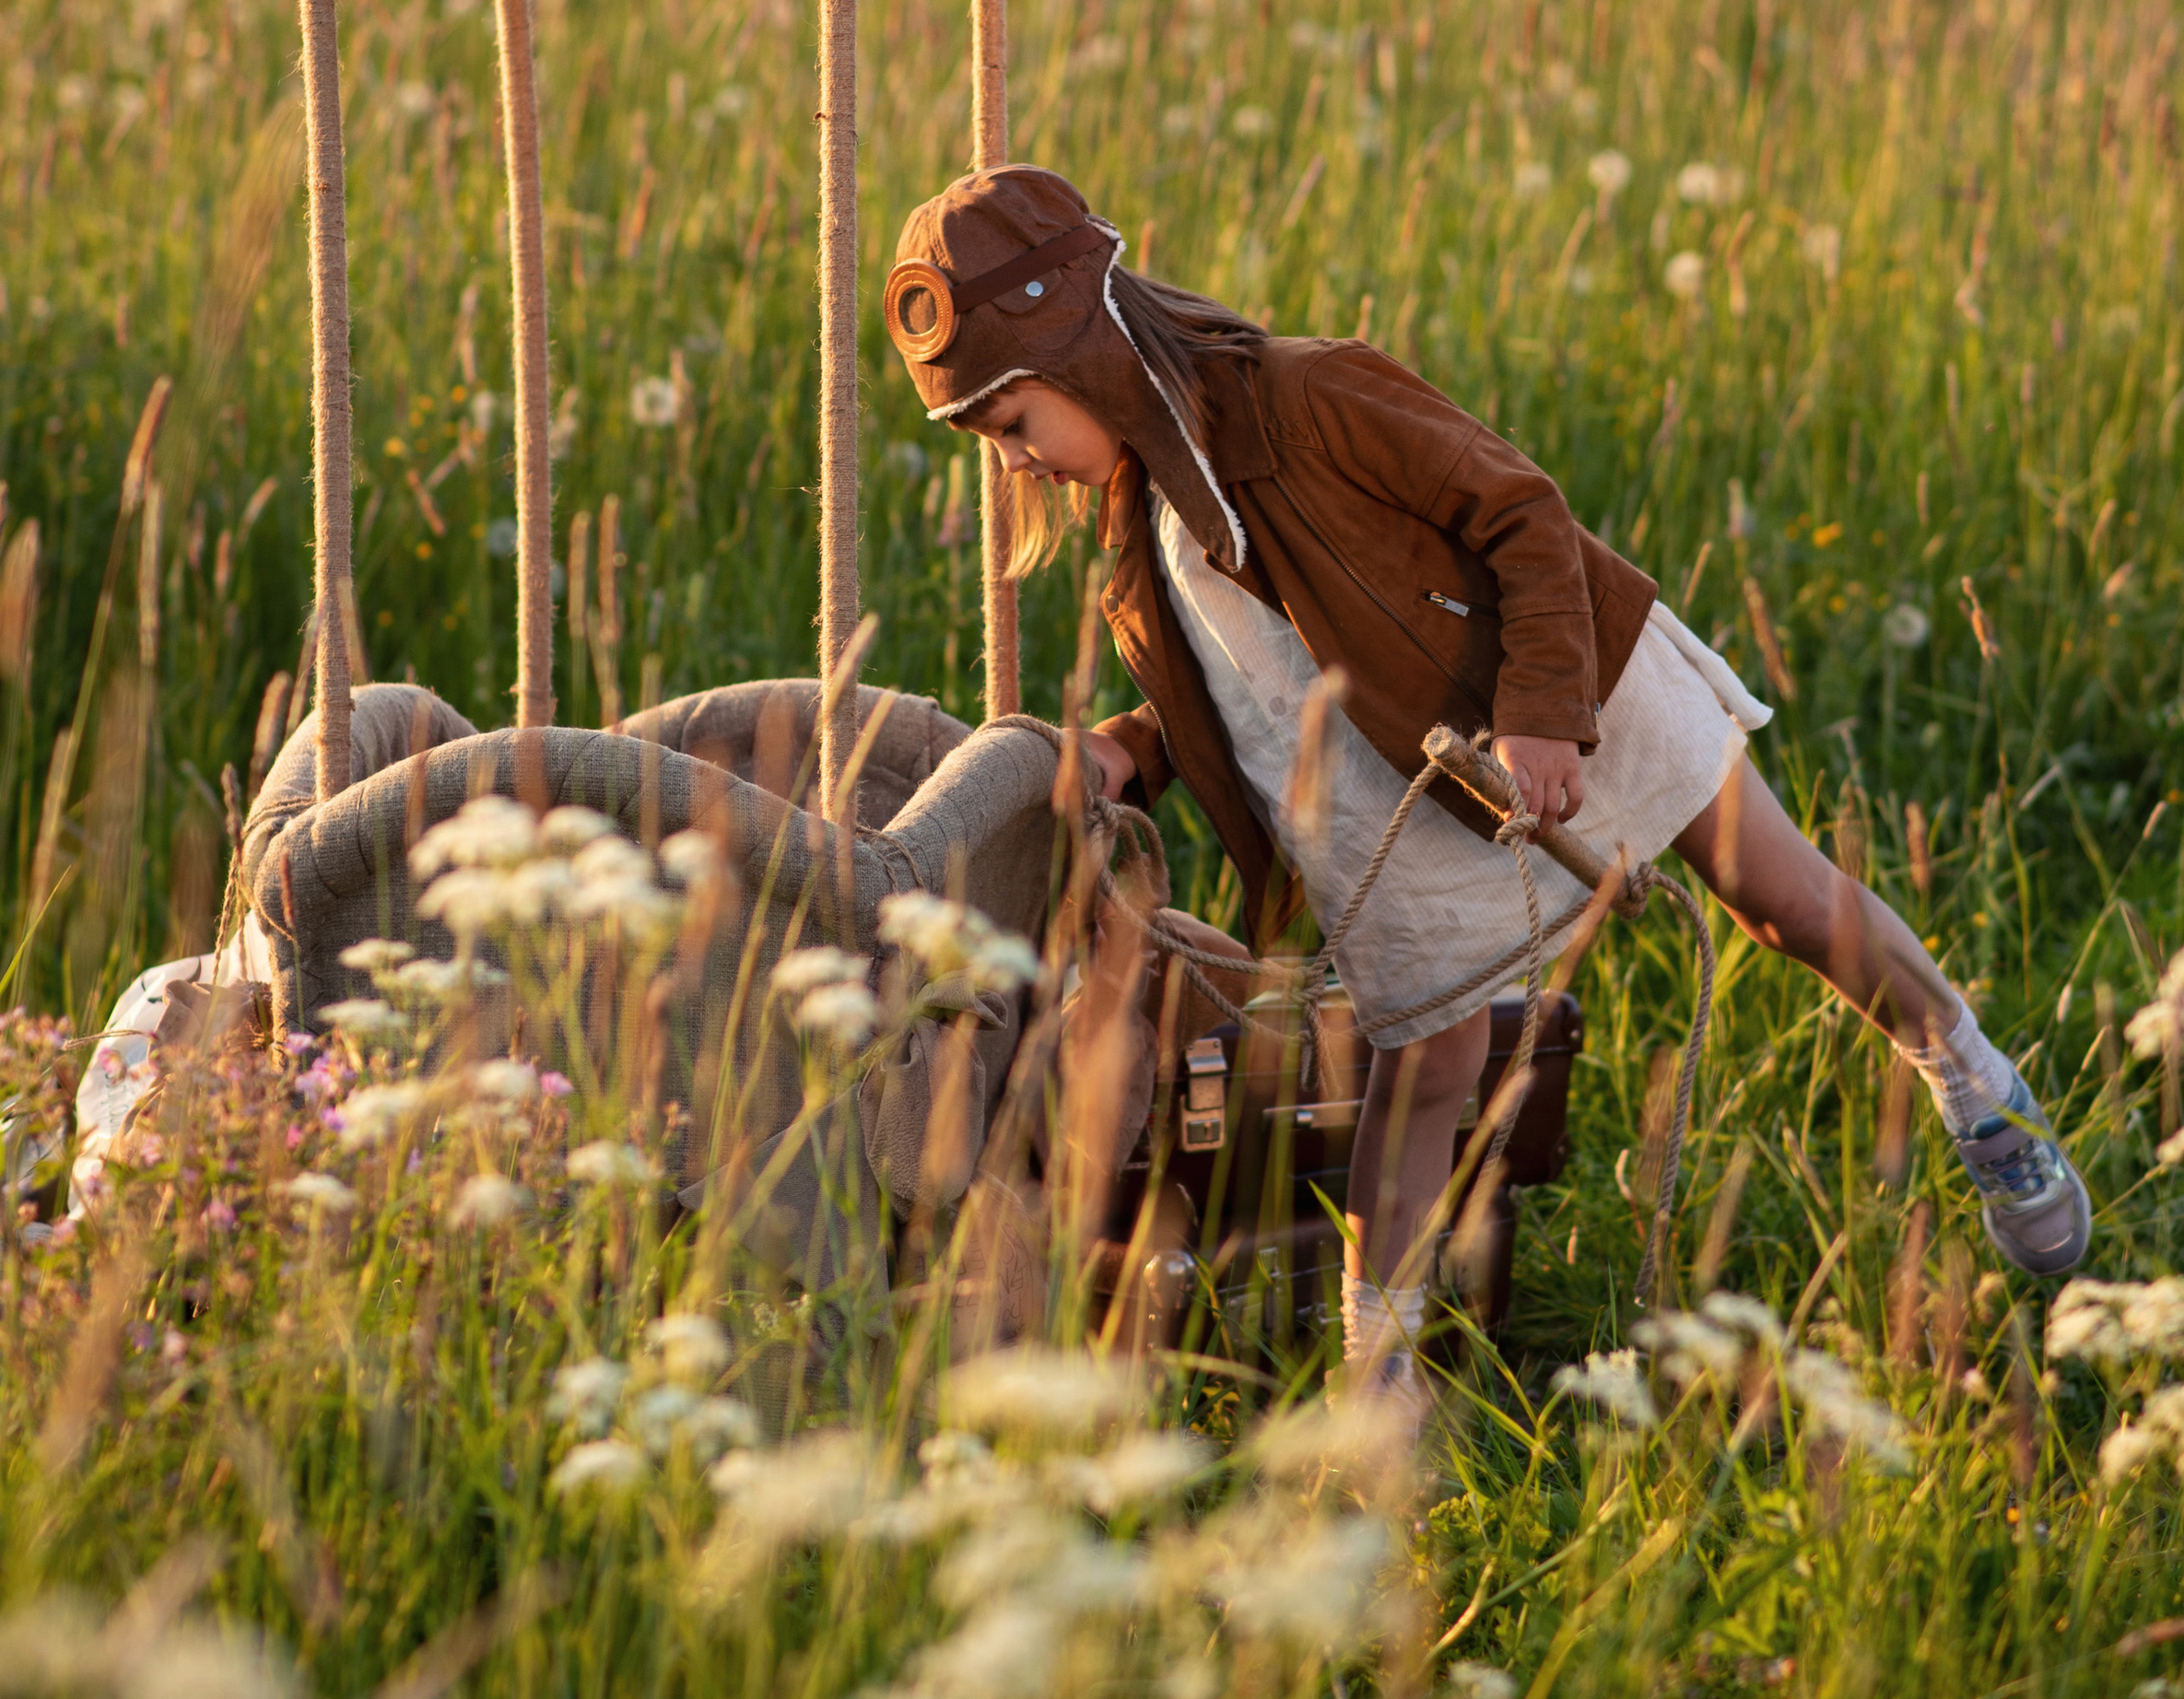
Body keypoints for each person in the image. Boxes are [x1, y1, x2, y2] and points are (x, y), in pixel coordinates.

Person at [881, 165, 2091, 1399]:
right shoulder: (1147, 531)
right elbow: (1257, 689)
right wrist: (1136, 745)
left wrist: (1544, 714)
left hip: (1557, 684)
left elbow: (1523, 514)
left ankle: (1975, 1088)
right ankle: (1380, 1371)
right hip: (1400, 790)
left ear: (1078, 349)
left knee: (1779, 900)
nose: (1017, 465)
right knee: (1421, 1073)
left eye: (1014, 425)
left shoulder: (1311, 392)